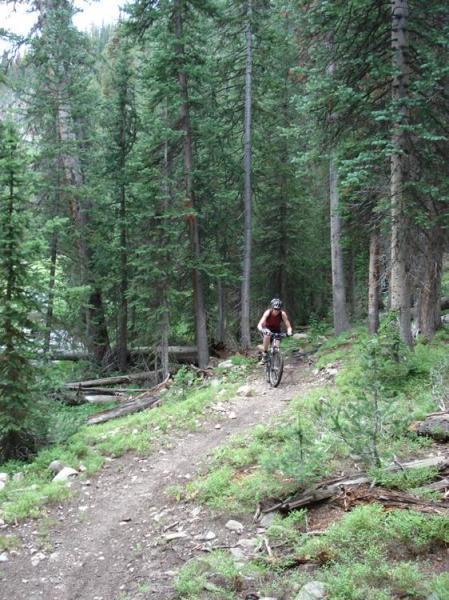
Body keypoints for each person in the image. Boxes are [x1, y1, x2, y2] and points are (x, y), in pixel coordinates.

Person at [257, 298, 292, 364]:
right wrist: (261, 329)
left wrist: (289, 332)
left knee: (276, 349)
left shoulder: (282, 314)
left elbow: (288, 325)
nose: (276, 311)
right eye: (275, 309)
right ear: (272, 308)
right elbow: (259, 324)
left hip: (276, 330)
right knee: (267, 335)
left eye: (278, 309)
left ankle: (276, 364)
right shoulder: (268, 312)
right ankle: (265, 355)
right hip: (267, 329)